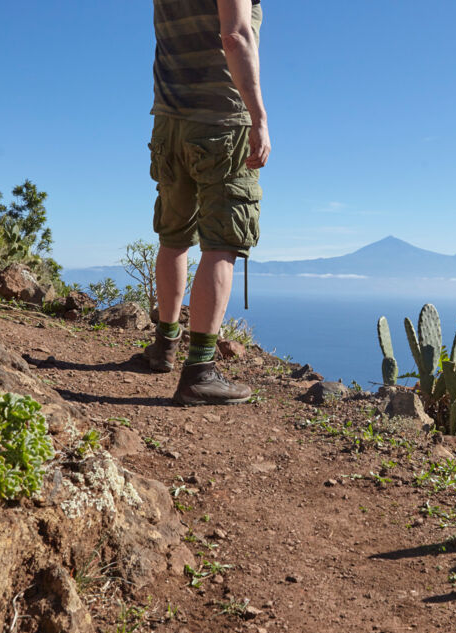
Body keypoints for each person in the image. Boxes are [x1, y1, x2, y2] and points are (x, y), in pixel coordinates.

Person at [142, 0, 270, 405]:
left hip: (168, 120)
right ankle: (199, 371)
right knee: (222, 242)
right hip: (219, 125)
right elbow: (235, 36)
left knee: (174, 235)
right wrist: (259, 117)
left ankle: (163, 346)